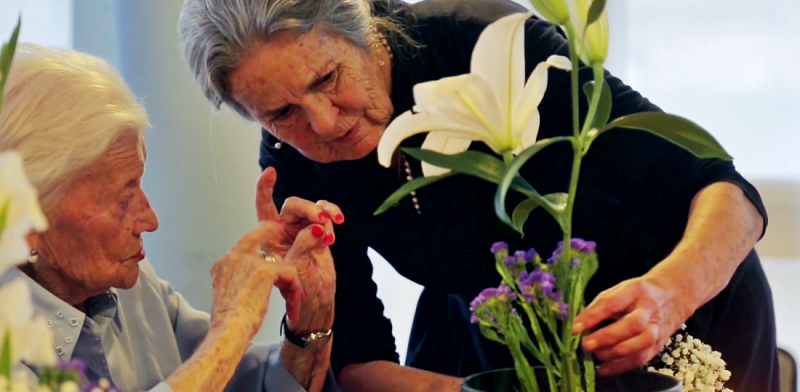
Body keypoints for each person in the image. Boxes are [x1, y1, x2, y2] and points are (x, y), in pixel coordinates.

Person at [177, 0, 779, 391]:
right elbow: (356, 361)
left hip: (678, 306)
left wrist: (667, 295)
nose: (325, 124)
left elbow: (727, 192)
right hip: (502, 350)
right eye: (281, 112)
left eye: (329, 79)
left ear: (363, 28)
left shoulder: (488, 44)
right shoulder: (292, 163)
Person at [0, 44, 343, 392]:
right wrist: (230, 330)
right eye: (123, 197)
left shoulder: (132, 288)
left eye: (140, 182)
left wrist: (309, 323)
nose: (150, 220)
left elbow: (242, 383)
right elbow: (215, 358)